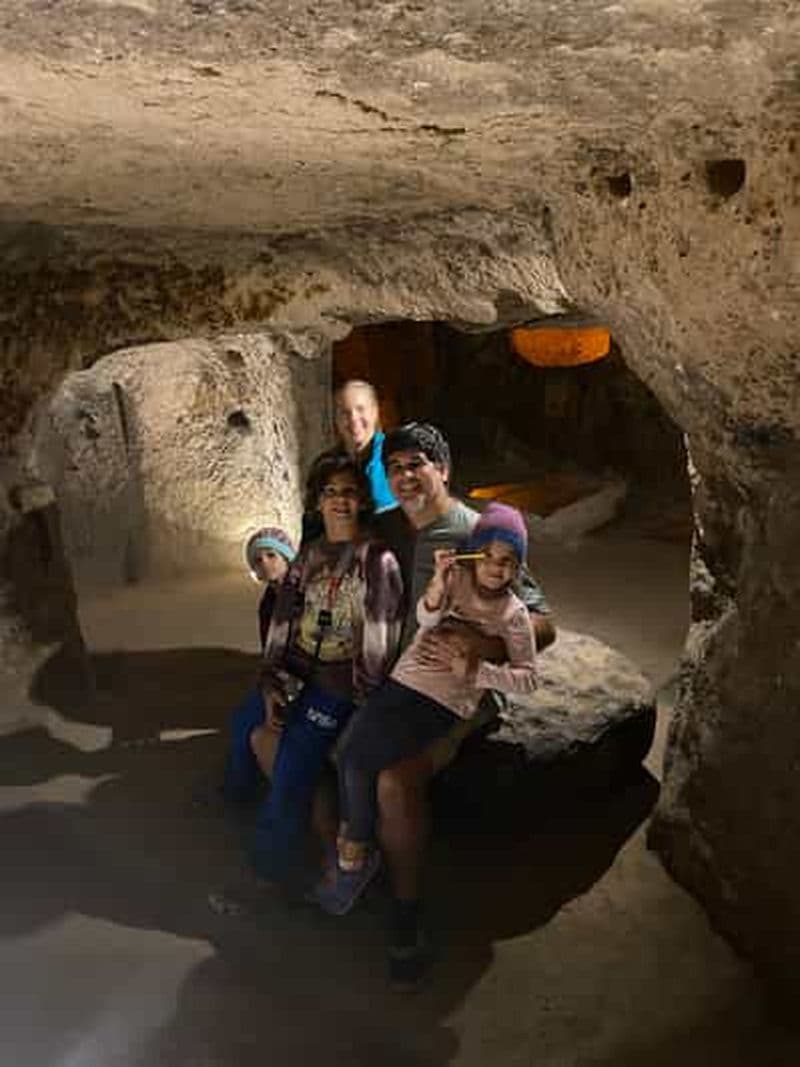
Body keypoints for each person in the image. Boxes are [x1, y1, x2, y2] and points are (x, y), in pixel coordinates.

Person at [371, 422, 555, 988]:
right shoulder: (380, 530)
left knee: (395, 782)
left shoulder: (479, 532)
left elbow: (543, 623)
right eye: (395, 467)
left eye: (418, 464)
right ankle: (348, 869)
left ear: (443, 470)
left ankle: (407, 914)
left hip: (457, 689)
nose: (406, 476)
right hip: (393, 680)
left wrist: (483, 644)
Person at [316, 503, 537, 916]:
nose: (495, 568)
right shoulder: (455, 579)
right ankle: (356, 848)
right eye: (487, 557)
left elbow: (527, 678)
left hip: (443, 701)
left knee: (364, 763)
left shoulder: (514, 614)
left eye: (507, 562)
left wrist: (477, 671)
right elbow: (426, 617)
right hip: (402, 683)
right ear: (473, 554)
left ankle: (354, 856)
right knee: (347, 753)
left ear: (518, 567)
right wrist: (437, 581)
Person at [226, 452, 404, 885]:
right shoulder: (308, 557)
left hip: (340, 683)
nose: (339, 501)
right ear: (317, 501)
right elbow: (284, 624)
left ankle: (275, 867)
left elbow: (378, 642)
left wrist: (356, 699)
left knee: (293, 760)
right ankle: (237, 796)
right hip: (298, 673)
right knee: (248, 724)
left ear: (362, 499)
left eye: (348, 492)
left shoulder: (376, 561)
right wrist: (272, 683)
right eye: (330, 493)